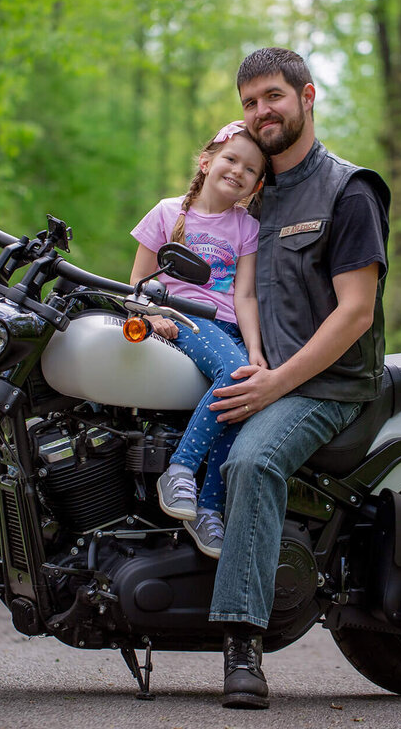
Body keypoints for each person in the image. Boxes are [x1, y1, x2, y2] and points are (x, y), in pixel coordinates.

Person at [205, 47, 391, 709]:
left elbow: (356, 314)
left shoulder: (349, 191)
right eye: (250, 102)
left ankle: (243, 646)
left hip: (326, 387)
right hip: (264, 371)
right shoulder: (252, 190)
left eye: (273, 97)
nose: (261, 112)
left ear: (307, 97)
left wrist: (275, 383)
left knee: (253, 463)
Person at [128, 122, 268, 559]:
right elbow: (137, 282)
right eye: (230, 159)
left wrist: (258, 351)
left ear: (256, 184)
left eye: (250, 168)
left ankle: (209, 509)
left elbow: (244, 295)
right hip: (185, 319)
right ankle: (181, 469)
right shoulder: (167, 213)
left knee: (246, 395)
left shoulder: (247, 226)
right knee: (235, 374)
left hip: (228, 327)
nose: (237, 171)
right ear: (206, 162)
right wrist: (153, 314)